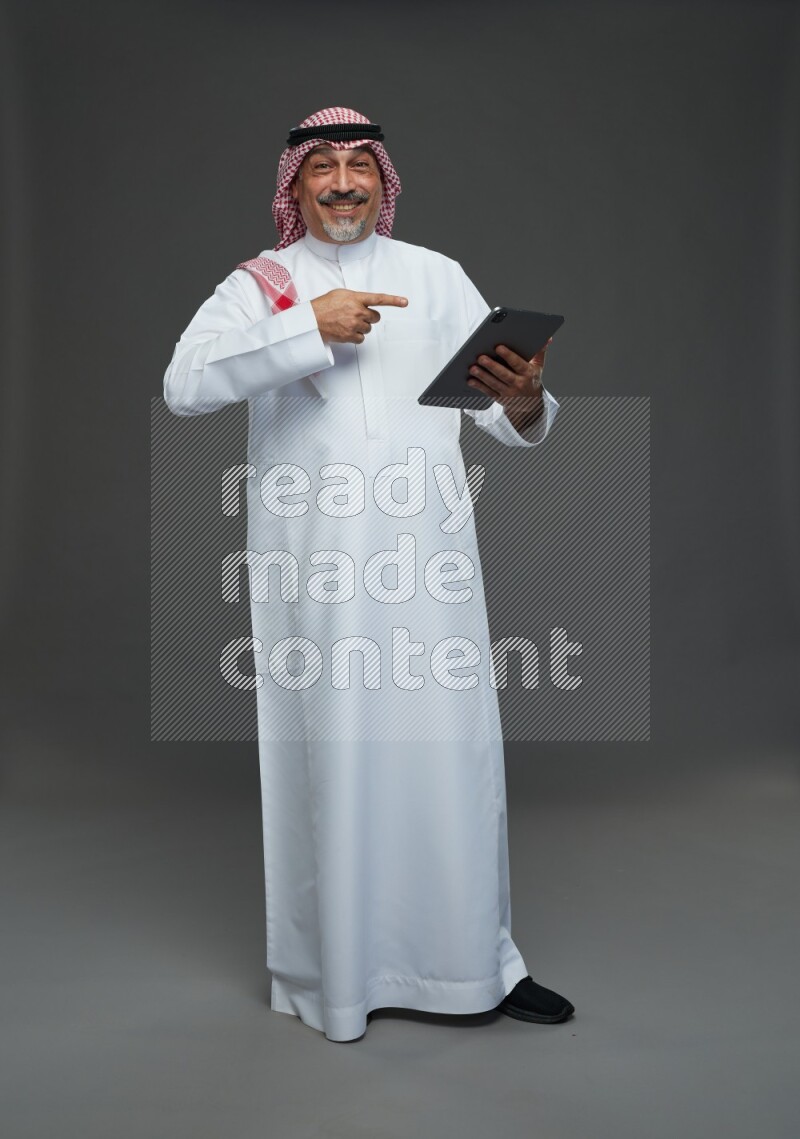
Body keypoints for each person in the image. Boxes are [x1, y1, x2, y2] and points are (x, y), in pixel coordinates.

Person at [163, 106, 574, 1041]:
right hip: (318, 578)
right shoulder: (260, 285)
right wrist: (308, 328)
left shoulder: (435, 276)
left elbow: (504, 416)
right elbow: (185, 386)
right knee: (338, 760)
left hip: (429, 566)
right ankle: (342, 977)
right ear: (294, 184)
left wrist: (527, 398)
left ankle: (477, 966)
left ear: (381, 180)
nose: (343, 181)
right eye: (323, 167)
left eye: (359, 165)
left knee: (451, 759)